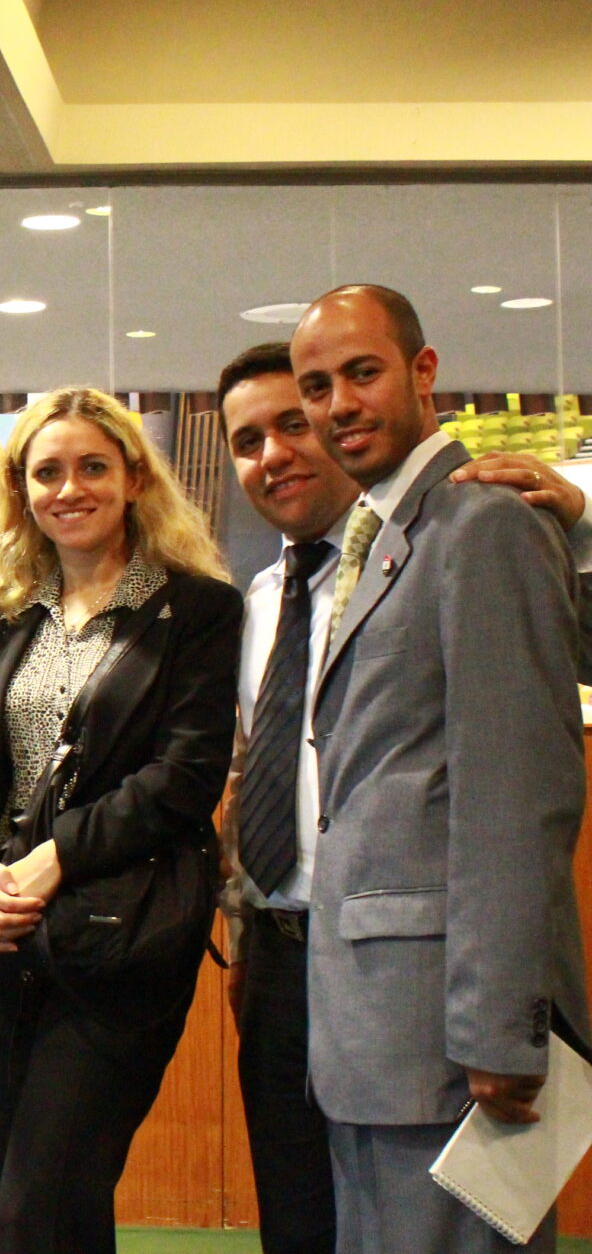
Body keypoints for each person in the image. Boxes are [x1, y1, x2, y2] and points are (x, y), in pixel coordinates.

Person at [216, 342, 592, 1254]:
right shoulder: (254, 601)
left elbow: (517, 790)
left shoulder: (449, 543)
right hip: (279, 964)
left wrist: (576, 527)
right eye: (248, 439)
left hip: (416, 974)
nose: (274, 454)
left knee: (431, 1229)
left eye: (295, 422)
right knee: (303, 1227)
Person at [0, 386, 242, 1254]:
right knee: (35, 1204)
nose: (70, 488)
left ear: (136, 478)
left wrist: (55, 857)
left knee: (41, 1201)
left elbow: (183, 778)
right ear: (21, 490)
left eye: (93, 467)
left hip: (121, 942)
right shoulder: (5, 612)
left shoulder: (197, 609)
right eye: (48, 472)